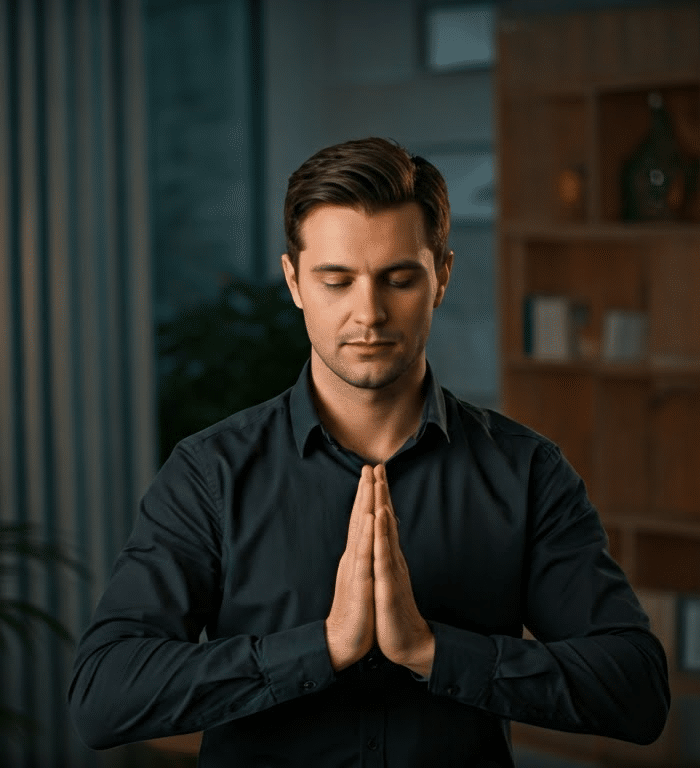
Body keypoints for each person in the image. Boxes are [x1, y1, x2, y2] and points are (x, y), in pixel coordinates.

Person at [68, 137, 669, 766]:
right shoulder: (210, 474)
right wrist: (320, 649)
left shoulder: (525, 472)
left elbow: (637, 690)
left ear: (441, 276)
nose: (369, 313)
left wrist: (432, 651)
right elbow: (104, 695)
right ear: (294, 282)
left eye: (399, 279)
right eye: (336, 280)